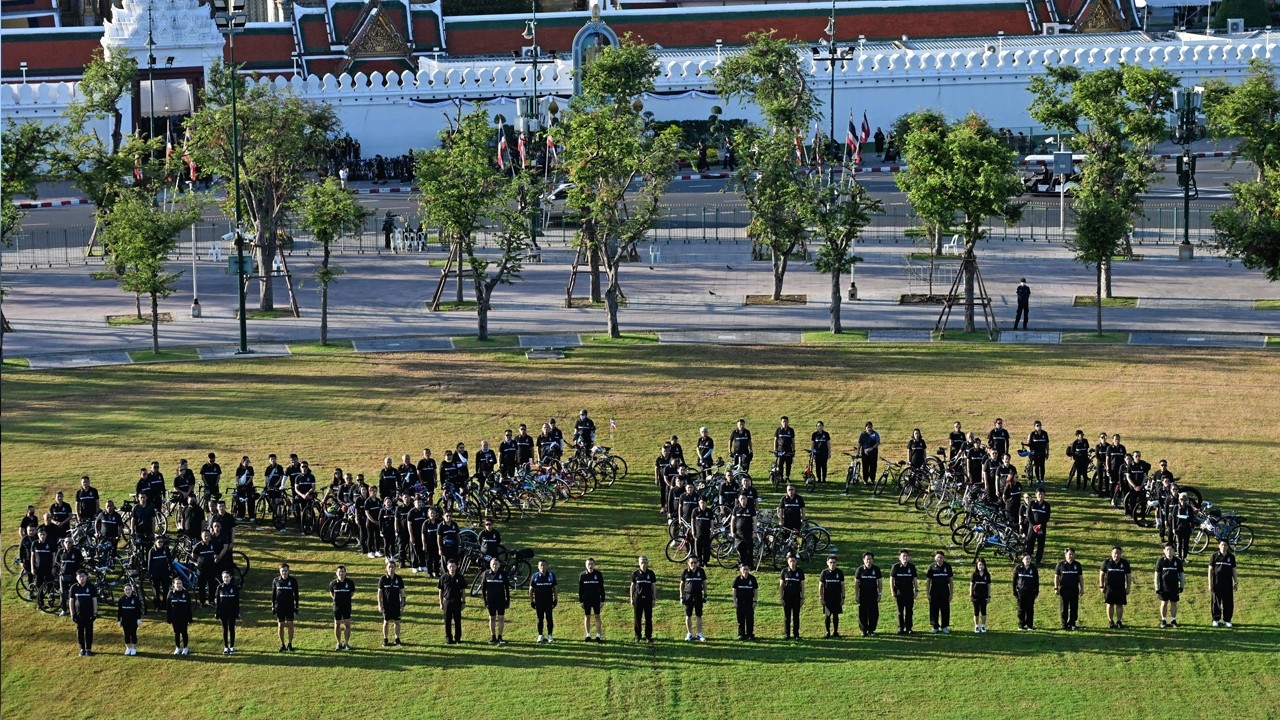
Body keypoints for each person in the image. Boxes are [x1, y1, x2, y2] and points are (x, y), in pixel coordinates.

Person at [1099, 546, 1132, 629]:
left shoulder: (1124, 563)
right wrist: (1101, 586)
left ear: (1120, 554)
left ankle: (1119, 621)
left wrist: (1128, 588)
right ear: (1112, 553)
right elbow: (1101, 574)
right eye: (1115, 553)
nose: (1116, 555)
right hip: (1109, 588)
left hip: (1120, 588)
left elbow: (1128, 576)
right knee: (1110, 604)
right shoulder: (1106, 562)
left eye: (1118, 553)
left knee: (1119, 605)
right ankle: (1111, 621)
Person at [1153, 544, 1185, 628]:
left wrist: (1181, 586)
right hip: (1163, 587)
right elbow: (1157, 575)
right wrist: (1157, 587)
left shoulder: (1177, 561)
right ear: (1164, 551)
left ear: (1173, 550)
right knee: (1164, 603)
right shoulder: (1160, 561)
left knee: (1174, 603)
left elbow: (1181, 574)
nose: (1169, 551)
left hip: (1174, 587)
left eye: (1170, 549)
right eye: (1167, 549)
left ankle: (1173, 620)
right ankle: (1163, 620)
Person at [1208, 540, 1238, 628]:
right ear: (1219, 546)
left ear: (1228, 546)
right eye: (1222, 545)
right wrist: (1210, 583)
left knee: (1228, 602)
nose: (1223, 547)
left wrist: (1236, 582)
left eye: (1225, 545)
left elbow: (1233, 570)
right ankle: (1215, 619)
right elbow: (1210, 570)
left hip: (1228, 583)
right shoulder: (1214, 556)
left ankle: (1227, 620)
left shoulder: (1231, 557)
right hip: (1216, 583)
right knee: (1216, 602)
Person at [678, 556, 708, 642]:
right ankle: (689, 633)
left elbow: (704, 583)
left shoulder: (701, 571)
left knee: (699, 615)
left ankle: (699, 633)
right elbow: (682, 584)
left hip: (698, 595)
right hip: (688, 596)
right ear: (688, 563)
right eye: (692, 562)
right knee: (688, 615)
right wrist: (681, 596)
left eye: (695, 562)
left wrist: (705, 595)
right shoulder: (685, 572)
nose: (693, 564)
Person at [69, 568, 99, 656]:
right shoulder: (74, 588)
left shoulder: (91, 587)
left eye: (83, 576)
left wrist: (95, 613)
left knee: (89, 632)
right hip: (79, 615)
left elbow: (94, 601)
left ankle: (88, 649)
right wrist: (72, 614)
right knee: (80, 632)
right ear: (76, 578)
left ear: (86, 577)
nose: (81, 578)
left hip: (89, 614)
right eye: (80, 577)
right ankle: (82, 648)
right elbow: (71, 601)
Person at [481, 556, 510, 645]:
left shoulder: (503, 574)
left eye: (496, 564)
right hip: (491, 600)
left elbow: (507, 588)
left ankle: (500, 637)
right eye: (493, 564)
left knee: (501, 618)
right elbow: (483, 589)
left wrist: (508, 600)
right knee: (492, 618)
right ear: (490, 565)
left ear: (499, 565)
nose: (495, 566)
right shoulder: (486, 574)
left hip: (501, 600)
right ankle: (493, 637)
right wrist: (485, 601)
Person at [272, 563, 300, 651]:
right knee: (280, 625)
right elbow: (273, 594)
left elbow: (296, 594)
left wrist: (297, 606)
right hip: (279, 606)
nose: (284, 572)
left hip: (290, 606)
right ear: (280, 571)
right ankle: (282, 644)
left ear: (288, 571)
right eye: (282, 571)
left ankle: (290, 644)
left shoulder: (293, 580)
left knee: (290, 624)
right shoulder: (276, 580)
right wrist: (273, 606)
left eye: (286, 570)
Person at [1054, 547, 1084, 631]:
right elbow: (1056, 577)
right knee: (1064, 608)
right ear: (1065, 555)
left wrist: (1082, 588)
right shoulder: (1060, 565)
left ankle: (1072, 623)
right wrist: (1056, 587)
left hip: (1074, 589)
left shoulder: (1077, 565)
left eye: (1072, 554)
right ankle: (1064, 624)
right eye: (1069, 554)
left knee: (1074, 607)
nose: (1071, 556)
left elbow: (1080, 577)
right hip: (1064, 589)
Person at [925, 551, 954, 634]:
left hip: (945, 591)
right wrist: (927, 593)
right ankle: (935, 626)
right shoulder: (931, 567)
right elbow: (928, 581)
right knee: (934, 609)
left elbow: (951, 580)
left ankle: (944, 626)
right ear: (935, 558)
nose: (939, 559)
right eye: (938, 557)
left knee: (945, 609)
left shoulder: (947, 566)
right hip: (934, 591)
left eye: (941, 557)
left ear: (943, 558)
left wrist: (951, 593)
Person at [378, 560, 407, 646]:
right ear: (386, 568)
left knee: (397, 622)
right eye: (389, 567)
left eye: (393, 567)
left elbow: (402, 593)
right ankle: (385, 639)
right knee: (386, 622)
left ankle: (397, 639)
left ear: (395, 568)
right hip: (386, 605)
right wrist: (380, 605)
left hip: (396, 605)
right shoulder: (382, 579)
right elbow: (379, 593)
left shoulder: (399, 579)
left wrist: (403, 604)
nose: (391, 569)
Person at [530, 560, 559, 643]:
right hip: (539, 602)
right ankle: (540, 635)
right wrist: (532, 601)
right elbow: (531, 589)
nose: (543, 567)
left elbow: (555, 588)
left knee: (549, 618)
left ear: (547, 566)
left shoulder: (551, 575)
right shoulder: (535, 576)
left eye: (544, 565)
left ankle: (550, 635)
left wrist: (555, 600)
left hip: (548, 602)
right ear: (538, 567)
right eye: (541, 565)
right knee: (540, 619)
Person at [890, 549, 918, 635]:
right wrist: (892, 591)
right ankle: (900, 628)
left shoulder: (912, 567)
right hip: (899, 592)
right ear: (899, 558)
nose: (905, 557)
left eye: (906, 556)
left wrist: (916, 590)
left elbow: (914, 579)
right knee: (900, 611)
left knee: (909, 611)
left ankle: (909, 628)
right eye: (903, 556)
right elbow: (891, 579)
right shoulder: (895, 567)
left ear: (909, 557)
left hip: (909, 592)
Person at [438, 559, 466, 644]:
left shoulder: (460, 577)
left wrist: (463, 602)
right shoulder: (443, 577)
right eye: (450, 566)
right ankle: (449, 638)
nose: (452, 568)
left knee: (457, 620)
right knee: (447, 621)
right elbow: (440, 591)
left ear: (456, 567)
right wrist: (441, 602)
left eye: (453, 566)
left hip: (457, 601)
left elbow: (463, 590)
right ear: (447, 567)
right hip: (447, 602)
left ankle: (458, 638)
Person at [630, 556, 657, 642]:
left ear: (647, 563)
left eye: (645, 562)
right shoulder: (635, 574)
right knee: (637, 618)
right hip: (638, 598)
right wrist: (631, 598)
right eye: (642, 562)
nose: (643, 564)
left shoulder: (651, 573)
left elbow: (653, 586)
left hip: (648, 598)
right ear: (639, 563)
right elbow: (632, 586)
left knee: (648, 618)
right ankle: (638, 636)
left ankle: (648, 636)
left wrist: (654, 598)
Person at [578, 558, 605, 642]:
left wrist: (602, 600)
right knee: (587, 617)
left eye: (592, 564)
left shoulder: (598, 574)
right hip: (586, 600)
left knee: (597, 616)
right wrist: (581, 601)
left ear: (594, 564)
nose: (590, 566)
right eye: (588, 564)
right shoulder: (582, 575)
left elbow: (602, 588)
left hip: (596, 599)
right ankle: (588, 635)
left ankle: (598, 635)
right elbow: (580, 589)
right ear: (586, 565)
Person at [779, 553, 806, 639]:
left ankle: (796, 634)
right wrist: (781, 598)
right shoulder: (784, 571)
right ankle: (787, 634)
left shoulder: (800, 572)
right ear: (788, 562)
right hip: (787, 597)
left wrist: (802, 597)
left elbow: (802, 585)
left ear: (796, 561)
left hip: (796, 597)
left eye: (793, 561)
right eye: (790, 561)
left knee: (796, 617)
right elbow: (781, 586)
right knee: (787, 617)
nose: (792, 563)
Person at [819, 555, 846, 638]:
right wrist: (821, 598)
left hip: (837, 598)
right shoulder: (824, 573)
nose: (832, 564)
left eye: (834, 562)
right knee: (827, 616)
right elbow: (820, 586)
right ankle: (827, 632)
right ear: (827, 563)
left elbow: (842, 586)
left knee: (836, 616)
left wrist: (843, 597)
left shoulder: (839, 572)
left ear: (836, 563)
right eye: (831, 562)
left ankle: (835, 632)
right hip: (827, 599)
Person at [329, 565, 355, 650]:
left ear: (345, 573)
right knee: (337, 625)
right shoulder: (333, 583)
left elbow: (352, 593)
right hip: (337, 607)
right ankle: (339, 643)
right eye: (339, 571)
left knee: (347, 624)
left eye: (343, 571)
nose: (341, 573)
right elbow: (332, 594)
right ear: (336, 573)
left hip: (347, 607)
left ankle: (346, 643)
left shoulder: (350, 583)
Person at [166, 576, 194, 656]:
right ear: (173, 584)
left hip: (184, 617)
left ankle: (185, 648)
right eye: (177, 583)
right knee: (176, 633)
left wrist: (190, 618)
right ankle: (177, 647)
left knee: (184, 632)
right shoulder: (170, 594)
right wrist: (168, 617)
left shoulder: (186, 594)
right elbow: (168, 607)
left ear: (182, 584)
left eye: (180, 583)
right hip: (175, 617)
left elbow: (189, 607)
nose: (178, 585)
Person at [214, 570, 240, 654]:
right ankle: (225, 647)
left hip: (232, 611)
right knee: (224, 629)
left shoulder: (234, 587)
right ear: (222, 578)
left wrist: (237, 612)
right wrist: (217, 612)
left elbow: (237, 601)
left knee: (231, 629)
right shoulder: (219, 588)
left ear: (230, 577)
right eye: (224, 577)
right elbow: (217, 601)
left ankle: (232, 647)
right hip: (223, 612)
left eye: (227, 577)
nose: (226, 579)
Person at [731, 563, 758, 640]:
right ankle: (741, 634)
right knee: (740, 619)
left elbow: (755, 590)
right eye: (744, 569)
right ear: (740, 570)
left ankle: (750, 634)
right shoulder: (737, 579)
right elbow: (734, 591)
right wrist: (734, 602)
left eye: (747, 569)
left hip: (749, 602)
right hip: (740, 602)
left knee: (750, 619)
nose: (745, 571)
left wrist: (755, 601)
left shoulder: (752, 578)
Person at [1013, 554, 1040, 630]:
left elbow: (1036, 581)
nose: (1028, 560)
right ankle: (1021, 625)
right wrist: (1014, 592)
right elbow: (1014, 581)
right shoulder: (1018, 568)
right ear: (1022, 560)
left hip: (1031, 592)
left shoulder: (1033, 568)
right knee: (1021, 609)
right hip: (1021, 591)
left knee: (1030, 609)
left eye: (1029, 559)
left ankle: (1029, 625)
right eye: (1026, 559)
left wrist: (1036, 591)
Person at [1025, 488, 1051, 565]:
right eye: (1039, 494)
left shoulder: (1047, 505)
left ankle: (1038, 561)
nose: (1040, 496)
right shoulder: (1032, 503)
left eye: (1042, 494)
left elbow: (1047, 517)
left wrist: (1040, 525)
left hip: (1041, 528)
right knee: (1030, 543)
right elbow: (1028, 515)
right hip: (1032, 528)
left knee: (1040, 545)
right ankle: (1028, 560)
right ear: (1036, 494)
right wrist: (1034, 525)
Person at [117, 582, 143, 655]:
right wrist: (118, 620)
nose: (128, 591)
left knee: (133, 634)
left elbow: (138, 610)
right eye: (126, 590)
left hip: (133, 620)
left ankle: (134, 648)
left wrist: (139, 619)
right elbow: (119, 611)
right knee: (126, 634)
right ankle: (128, 648)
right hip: (125, 621)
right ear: (124, 590)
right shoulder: (121, 599)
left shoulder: (135, 599)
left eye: (129, 589)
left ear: (132, 590)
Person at [731, 493, 756, 569]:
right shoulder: (736, 508)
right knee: (740, 549)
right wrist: (732, 531)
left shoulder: (751, 508)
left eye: (744, 498)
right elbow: (732, 520)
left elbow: (754, 520)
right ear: (739, 499)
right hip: (738, 533)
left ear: (747, 499)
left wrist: (754, 531)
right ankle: (742, 564)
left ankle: (750, 565)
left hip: (748, 533)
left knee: (749, 550)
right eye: (741, 499)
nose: (743, 500)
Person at [145, 536, 171, 611]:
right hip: (155, 574)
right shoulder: (152, 551)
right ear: (155, 542)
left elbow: (170, 560)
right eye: (159, 542)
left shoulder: (166, 549)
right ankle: (157, 606)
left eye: (162, 542)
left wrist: (170, 569)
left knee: (166, 590)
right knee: (156, 591)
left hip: (165, 573)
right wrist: (150, 574)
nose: (160, 543)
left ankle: (164, 604)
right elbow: (149, 563)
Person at [1171, 493, 1197, 559]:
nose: (1182, 501)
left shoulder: (1189, 508)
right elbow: (1173, 518)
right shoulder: (1176, 507)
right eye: (1181, 499)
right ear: (1179, 500)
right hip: (1178, 528)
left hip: (1187, 528)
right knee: (1179, 543)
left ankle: (1185, 557)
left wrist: (1192, 527)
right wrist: (1173, 528)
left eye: (1184, 499)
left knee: (1186, 544)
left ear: (1186, 500)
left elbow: (1192, 518)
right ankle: (1179, 557)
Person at [970, 557, 991, 633]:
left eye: (982, 565)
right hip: (976, 596)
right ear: (977, 565)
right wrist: (971, 595)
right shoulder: (974, 575)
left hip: (984, 596)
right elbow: (971, 585)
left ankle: (983, 626)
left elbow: (989, 586)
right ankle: (976, 626)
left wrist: (989, 596)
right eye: (979, 565)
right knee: (976, 612)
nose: (981, 566)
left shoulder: (987, 575)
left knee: (983, 611)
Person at [691, 498, 715, 565]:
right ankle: (699, 561)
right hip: (698, 533)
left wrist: (712, 531)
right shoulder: (695, 511)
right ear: (699, 503)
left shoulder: (709, 511)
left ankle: (705, 561)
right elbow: (692, 521)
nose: (702, 504)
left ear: (706, 503)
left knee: (706, 548)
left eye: (704, 503)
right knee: (698, 547)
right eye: (701, 502)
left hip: (706, 533)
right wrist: (693, 531)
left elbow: (712, 522)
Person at [774, 416, 796, 480]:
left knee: (788, 464)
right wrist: (775, 450)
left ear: (788, 422)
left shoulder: (791, 430)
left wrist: (793, 450)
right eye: (783, 421)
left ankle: (787, 476)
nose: (785, 423)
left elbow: (793, 441)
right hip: (780, 450)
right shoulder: (778, 430)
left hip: (788, 449)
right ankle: (781, 477)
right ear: (781, 422)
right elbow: (775, 440)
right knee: (780, 464)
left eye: (786, 421)